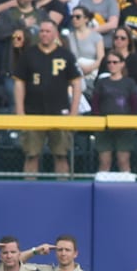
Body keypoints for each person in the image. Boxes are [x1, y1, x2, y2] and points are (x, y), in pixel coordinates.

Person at [12, 18, 83, 175]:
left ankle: (63, 191)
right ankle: (29, 191)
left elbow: (77, 84)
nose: (44, 34)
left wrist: (73, 112)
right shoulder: (28, 54)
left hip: (59, 112)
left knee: (61, 155)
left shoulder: (66, 55)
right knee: (31, 155)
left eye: (48, 31)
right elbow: (19, 84)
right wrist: (20, 111)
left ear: (55, 34)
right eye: (42, 31)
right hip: (33, 111)